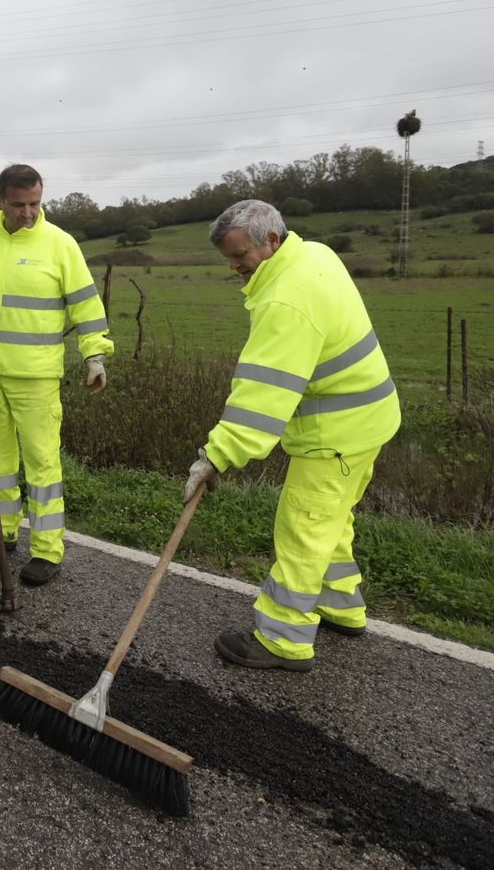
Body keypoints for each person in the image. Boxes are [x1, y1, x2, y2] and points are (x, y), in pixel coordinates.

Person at [184, 199, 400, 672]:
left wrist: (216, 455)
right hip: (368, 420)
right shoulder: (314, 253)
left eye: (239, 255)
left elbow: (263, 392)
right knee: (332, 519)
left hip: (337, 432)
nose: (234, 266)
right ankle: (341, 606)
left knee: (303, 528)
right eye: (228, 257)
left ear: (272, 241)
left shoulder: (287, 299)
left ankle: (283, 639)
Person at [0, 164, 112, 586]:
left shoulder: (60, 245)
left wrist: (95, 355)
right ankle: (1, 530)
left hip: (35, 377)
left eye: (35, 203)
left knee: (42, 464)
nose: (29, 212)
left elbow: (86, 304)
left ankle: (47, 550)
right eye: (19, 205)